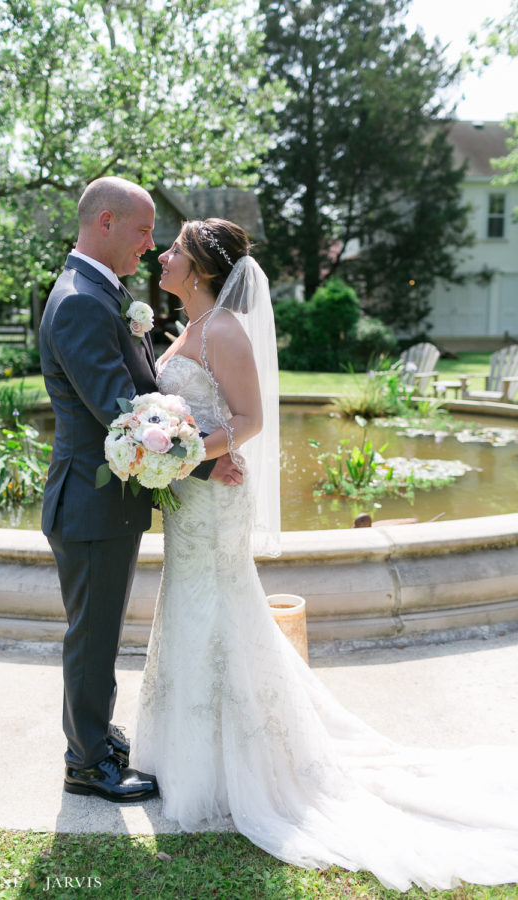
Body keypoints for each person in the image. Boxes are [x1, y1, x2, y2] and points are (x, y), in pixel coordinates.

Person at [131, 217, 518, 891]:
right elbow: (175, 411)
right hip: (187, 503)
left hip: (215, 505)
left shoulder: (223, 331)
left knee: (217, 611)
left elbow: (250, 421)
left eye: (174, 251)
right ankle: (185, 754)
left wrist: (192, 453)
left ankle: (234, 766)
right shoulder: (185, 329)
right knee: (188, 609)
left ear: (199, 270)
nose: (162, 256)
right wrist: (164, 452)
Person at [39, 178, 241, 805]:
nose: (150, 246)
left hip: (108, 505)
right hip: (90, 505)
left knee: (98, 630)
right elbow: (122, 413)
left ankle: (95, 735)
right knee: (93, 637)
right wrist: (206, 464)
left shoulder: (104, 293)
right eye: (141, 230)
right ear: (105, 222)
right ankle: (87, 765)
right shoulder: (79, 300)